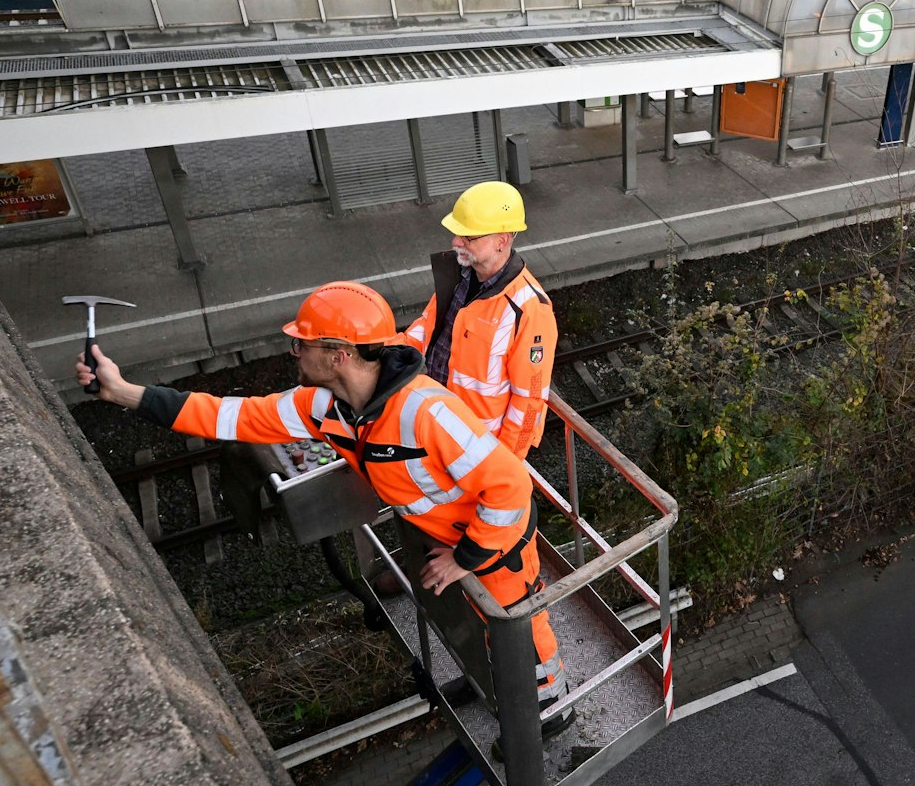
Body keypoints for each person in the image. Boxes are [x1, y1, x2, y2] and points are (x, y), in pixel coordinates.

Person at [76, 281, 572, 731]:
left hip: (493, 546)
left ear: (337, 355)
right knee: (479, 626)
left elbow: (508, 486)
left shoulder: (428, 413)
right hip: (439, 537)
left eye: (301, 344)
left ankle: (550, 712)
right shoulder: (322, 405)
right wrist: (126, 394)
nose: (293, 352)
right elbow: (232, 415)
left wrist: (465, 558)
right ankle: (498, 687)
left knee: (519, 629)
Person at [396, 181, 557, 459]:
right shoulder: (458, 277)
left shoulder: (529, 309)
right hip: (432, 424)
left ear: (501, 241)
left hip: (474, 449)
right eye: (458, 233)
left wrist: (505, 465)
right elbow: (424, 332)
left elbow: (529, 402)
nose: (456, 242)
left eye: (468, 237)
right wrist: (375, 355)